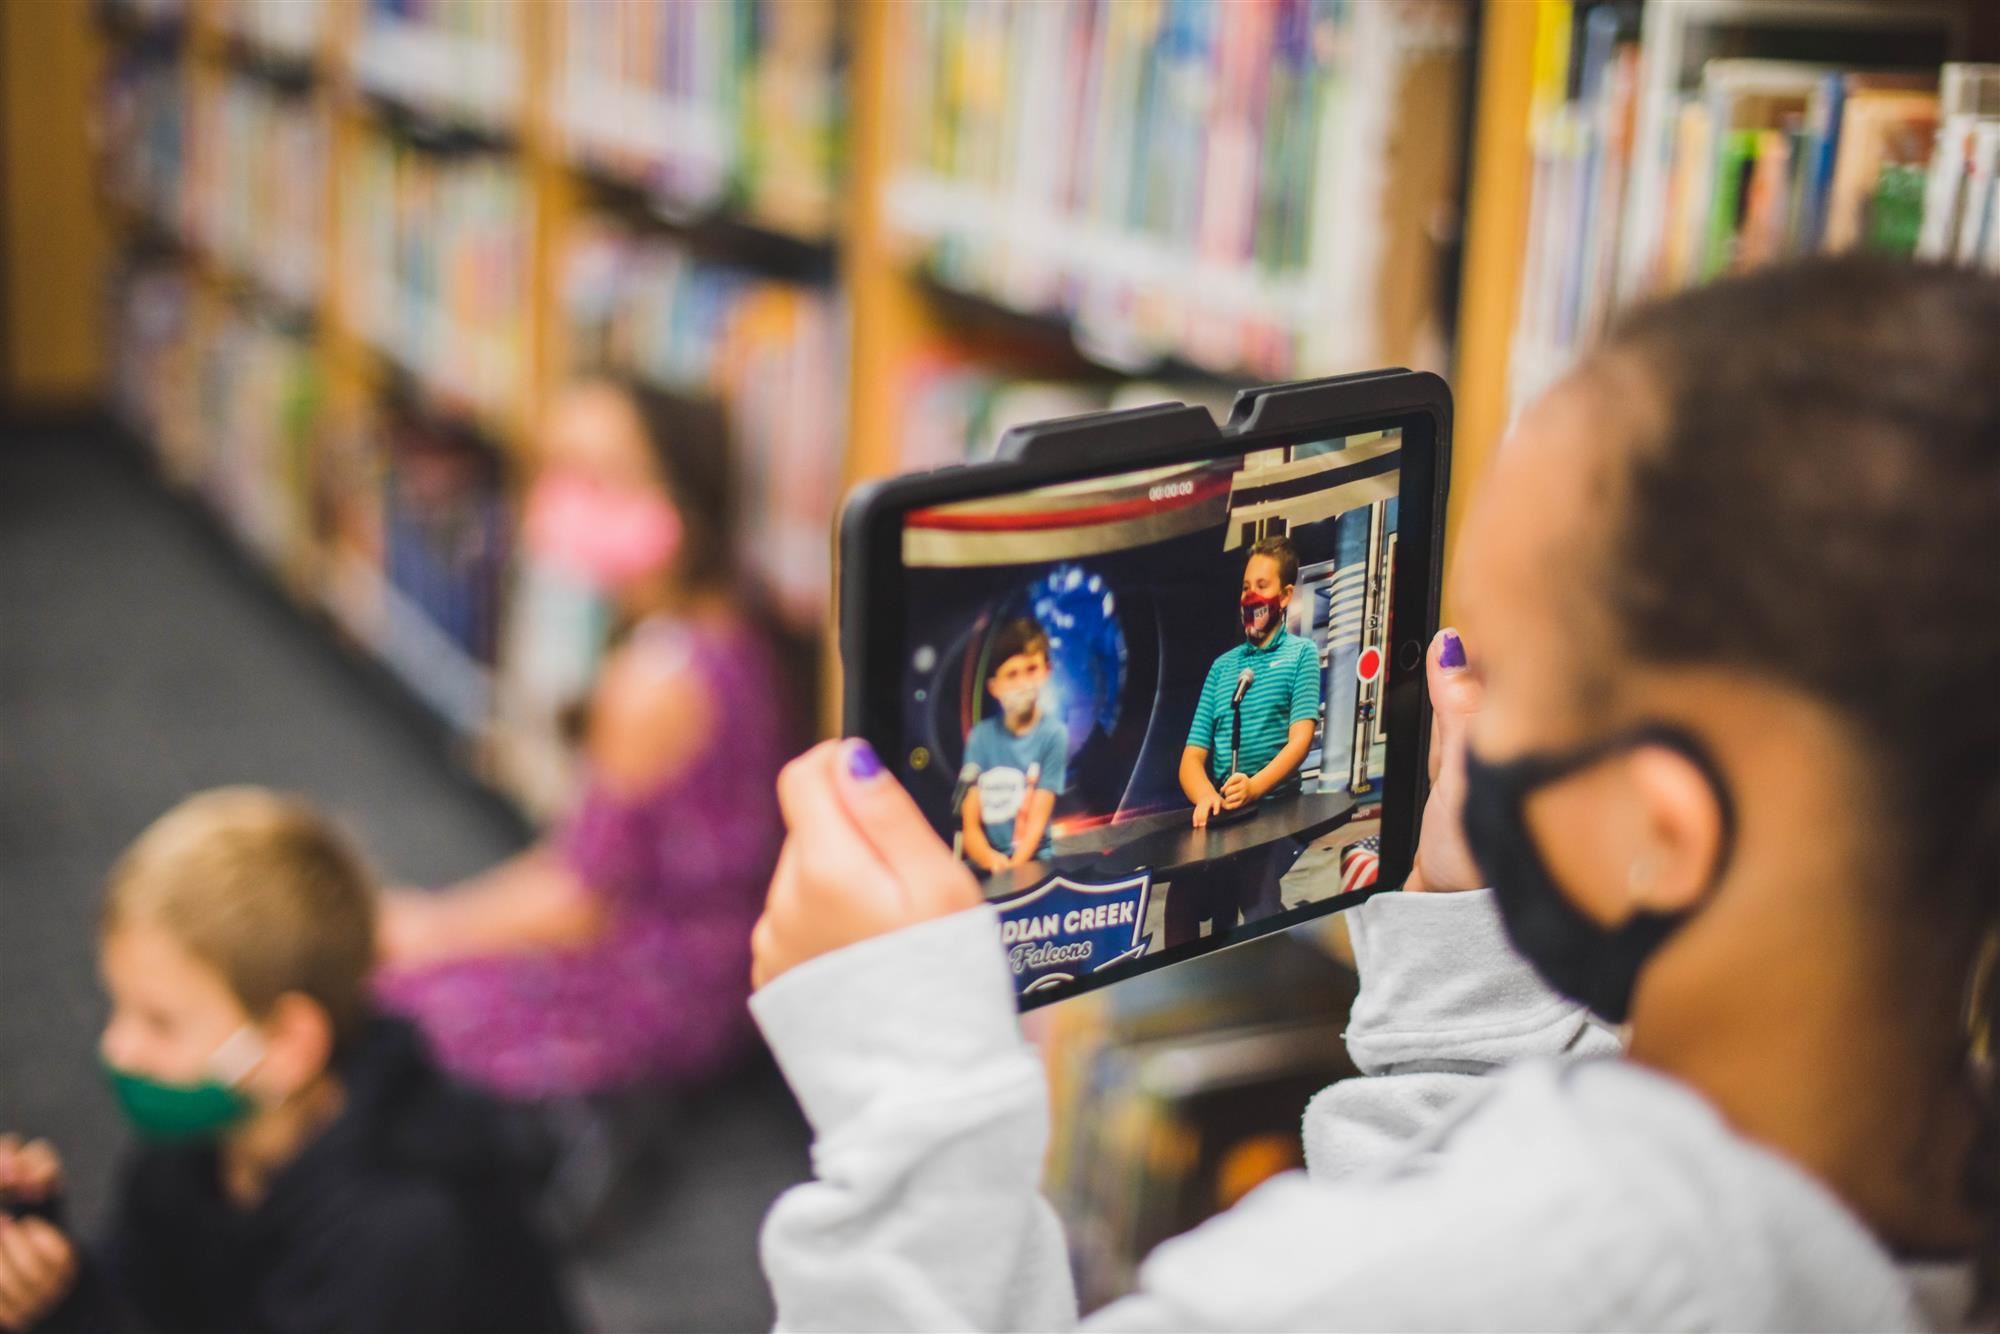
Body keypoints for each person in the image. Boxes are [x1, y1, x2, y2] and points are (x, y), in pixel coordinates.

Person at [744, 259, 2000, 1329]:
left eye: (1492, 670)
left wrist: (908, 1090)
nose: (1447, 714)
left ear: (1657, 831)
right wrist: (1473, 989)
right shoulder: (1920, 1182)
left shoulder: (1480, 1275)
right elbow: (1435, 1241)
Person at [372, 379, 788, 1139]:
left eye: (605, 476)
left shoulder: (651, 682)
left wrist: (424, 926)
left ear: (682, 496)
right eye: (558, 469)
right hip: (724, 961)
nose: (566, 500)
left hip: (664, 987)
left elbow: (579, 897)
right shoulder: (730, 627)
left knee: (384, 999)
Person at [0, 789, 574, 1333]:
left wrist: (75, 1315)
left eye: (160, 1022)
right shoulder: (194, 1141)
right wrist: (46, 1264)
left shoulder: (400, 1232)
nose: (118, 1048)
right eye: (118, 1006)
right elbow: (143, 1298)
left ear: (288, 1044)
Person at [1166, 534, 1323, 943]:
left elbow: (1300, 740)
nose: (1251, 596)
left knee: (1254, 890)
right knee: (1182, 893)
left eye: (1263, 586)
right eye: (1246, 587)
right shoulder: (1223, 668)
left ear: (1286, 596)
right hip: (1226, 817)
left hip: (1274, 812)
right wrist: (1206, 796)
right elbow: (1191, 758)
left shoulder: (1301, 655)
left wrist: (1255, 787)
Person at [961, 618, 1067, 873]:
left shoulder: (1054, 735)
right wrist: (989, 859)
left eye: (1031, 669)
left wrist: (1013, 871)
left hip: (1036, 862)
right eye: (1012, 674)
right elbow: (970, 826)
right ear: (994, 687)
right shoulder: (979, 738)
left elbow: (1037, 824)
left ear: (1047, 671)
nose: (1022, 682)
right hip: (990, 865)